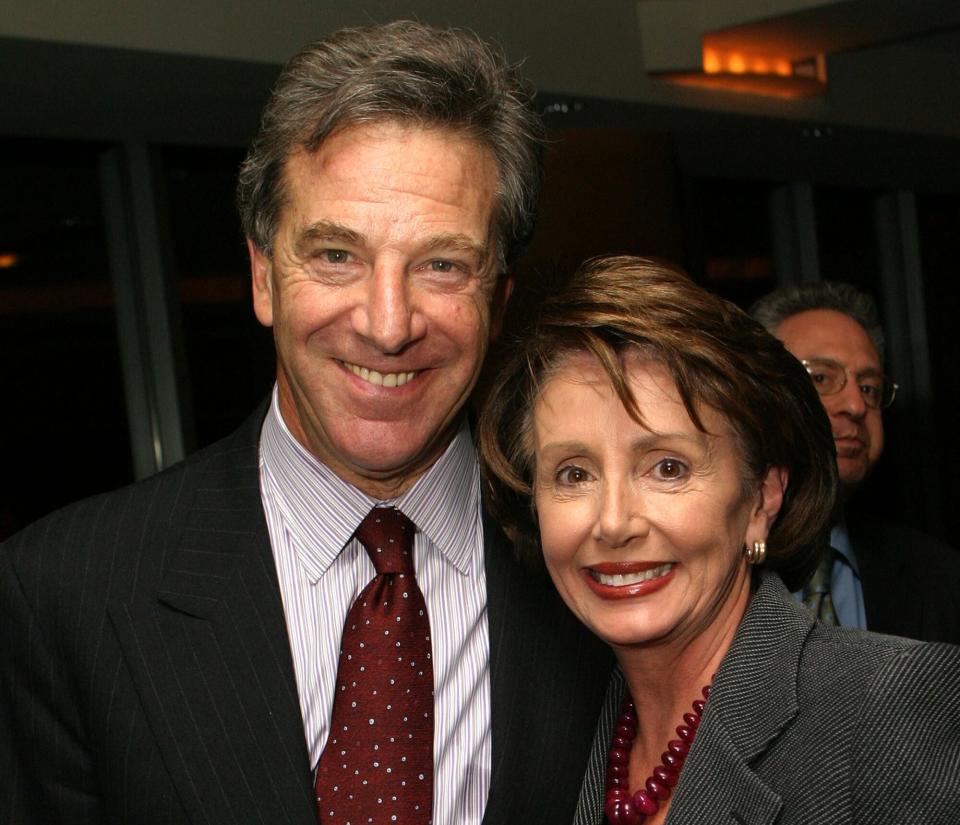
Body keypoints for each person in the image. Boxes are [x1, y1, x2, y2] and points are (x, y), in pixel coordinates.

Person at [0, 21, 612, 825]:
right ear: (263, 278)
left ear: (497, 302)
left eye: (441, 264)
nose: (388, 324)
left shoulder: (605, 569)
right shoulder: (66, 591)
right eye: (335, 256)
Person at [479, 256, 960, 825]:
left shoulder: (891, 707)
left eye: (667, 468)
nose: (612, 522)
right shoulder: (562, 737)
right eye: (574, 474)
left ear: (760, 500)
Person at [751, 281, 960, 642]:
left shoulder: (939, 577)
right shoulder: (705, 567)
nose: (855, 405)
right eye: (821, 378)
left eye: (868, 387)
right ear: (755, 395)